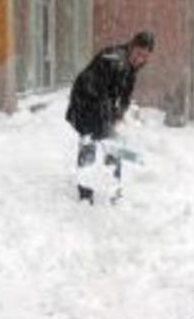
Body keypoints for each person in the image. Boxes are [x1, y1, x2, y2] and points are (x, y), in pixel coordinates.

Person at [65, 31, 155, 204]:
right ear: (131, 46)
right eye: (138, 53)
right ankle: (85, 193)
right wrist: (109, 118)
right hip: (85, 101)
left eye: (145, 56)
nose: (140, 59)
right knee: (89, 142)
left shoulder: (131, 67)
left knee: (114, 143)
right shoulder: (112, 58)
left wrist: (120, 113)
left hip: (101, 104)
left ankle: (113, 187)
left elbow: (125, 95)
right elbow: (98, 89)